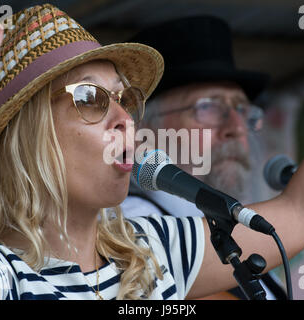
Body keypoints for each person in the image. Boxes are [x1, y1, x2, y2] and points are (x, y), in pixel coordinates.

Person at [0, 0, 304, 300]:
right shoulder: (4, 273)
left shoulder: (152, 251)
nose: (125, 118)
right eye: (91, 99)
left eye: (125, 99)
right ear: (30, 137)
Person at [120, 15, 285, 300]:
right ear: (144, 130)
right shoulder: (132, 221)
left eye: (242, 110)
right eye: (208, 107)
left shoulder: (231, 231)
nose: (235, 128)